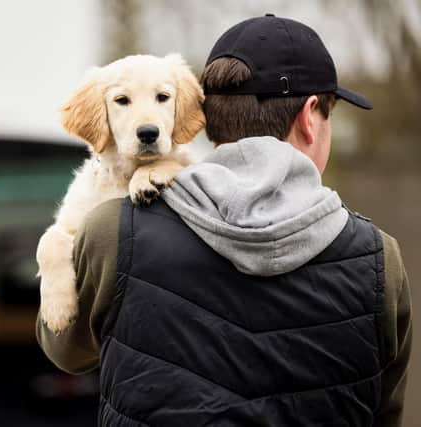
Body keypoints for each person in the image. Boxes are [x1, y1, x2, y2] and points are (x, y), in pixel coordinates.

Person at [36, 14, 411, 426]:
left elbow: (67, 351)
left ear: (204, 117)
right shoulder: (380, 259)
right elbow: (385, 412)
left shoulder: (112, 230)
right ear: (309, 117)